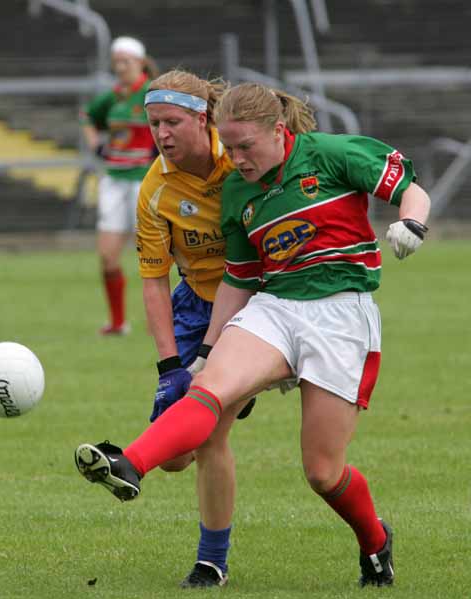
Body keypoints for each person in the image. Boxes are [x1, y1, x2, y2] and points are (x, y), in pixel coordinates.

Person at [75, 82, 431, 588]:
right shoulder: (238, 192)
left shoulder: (330, 153)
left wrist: (411, 223)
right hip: (275, 306)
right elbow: (239, 277)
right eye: (230, 146)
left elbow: (410, 189)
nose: (236, 158)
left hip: (341, 316)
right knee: (208, 391)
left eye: (246, 147)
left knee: (322, 473)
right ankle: (128, 462)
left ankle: (374, 540)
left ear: (279, 132)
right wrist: (206, 351)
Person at [132, 69, 257, 587]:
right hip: (193, 307)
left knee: (209, 434)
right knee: (176, 457)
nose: (161, 134)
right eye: (154, 123)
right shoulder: (155, 188)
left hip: (256, 305)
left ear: (203, 119)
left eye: (172, 122)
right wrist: (168, 368)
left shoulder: (242, 162)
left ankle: (212, 562)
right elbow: (155, 281)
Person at [80, 36, 158, 335]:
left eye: (127, 61)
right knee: (107, 256)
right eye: (118, 61)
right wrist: (95, 146)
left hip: (144, 180)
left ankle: (162, 320)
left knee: (153, 257)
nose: (121, 66)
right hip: (114, 180)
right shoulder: (112, 97)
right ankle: (117, 322)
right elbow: (87, 117)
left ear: (140, 62)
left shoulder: (151, 92)